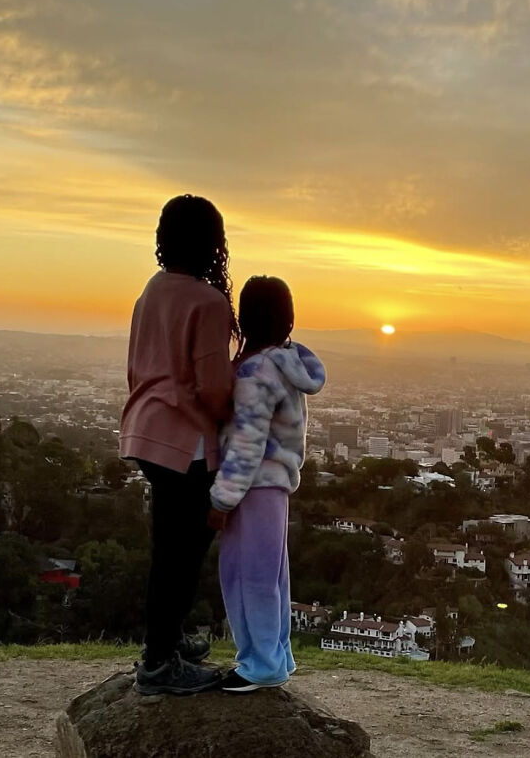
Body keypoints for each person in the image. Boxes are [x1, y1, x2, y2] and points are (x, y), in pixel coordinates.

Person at [120, 194, 238, 695]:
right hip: (185, 442)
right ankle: (159, 663)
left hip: (146, 431)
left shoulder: (152, 291)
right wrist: (241, 411)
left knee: (168, 547)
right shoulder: (207, 301)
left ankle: (167, 641)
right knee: (183, 555)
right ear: (212, 243)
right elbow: (213, 388)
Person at [208, 276, 326, 692]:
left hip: (252, 487)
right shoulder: (287, 365)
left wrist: (222, 500)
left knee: (245, 576)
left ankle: (260, 665)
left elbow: (247, 443)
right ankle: (276, 655)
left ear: (244, 320)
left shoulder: (255, 372)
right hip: (275, 487)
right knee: (271, 576)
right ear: (288, 320)